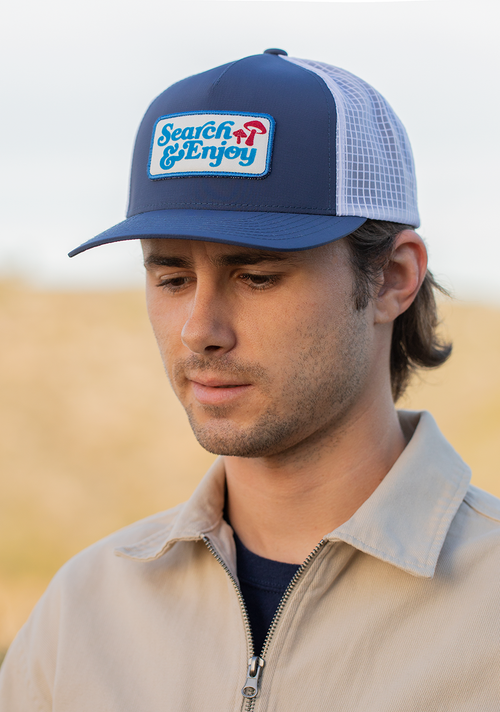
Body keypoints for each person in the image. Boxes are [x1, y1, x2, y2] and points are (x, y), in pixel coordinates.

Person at [0, 49, 498, 711]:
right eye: (171, 278)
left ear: (392, 278)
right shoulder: (81, 615)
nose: (199, 329)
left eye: (257, 276)